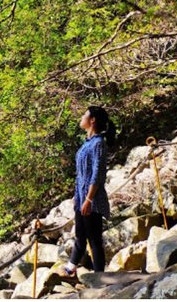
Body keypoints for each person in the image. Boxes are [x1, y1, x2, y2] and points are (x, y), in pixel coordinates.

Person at [62, 106, 116, 277]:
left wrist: (89, 199)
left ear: (92, 120)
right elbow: (82, 174)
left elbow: (98, 174)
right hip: (81, 197)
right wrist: (77, 195)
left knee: (94, 239)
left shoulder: (98, 143)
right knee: (80, 234)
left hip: (91, 198)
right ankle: (71, 267)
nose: (81, 117)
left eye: (84, 115)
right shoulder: (88, 143)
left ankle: (99, 275)